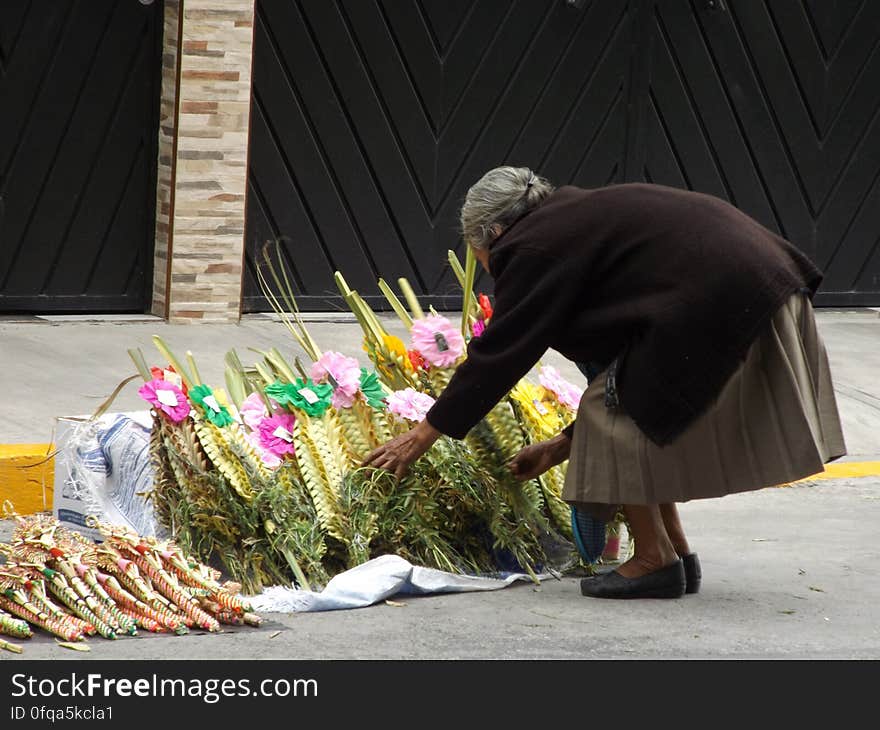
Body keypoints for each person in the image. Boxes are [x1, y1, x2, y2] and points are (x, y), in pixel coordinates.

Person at [363, 165, 846, 600]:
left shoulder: (530, 246)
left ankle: (654, 561)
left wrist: (425, 432)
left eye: (482, 256)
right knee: (635, 403)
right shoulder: (570, 223)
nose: (491, 269)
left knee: (609, 407)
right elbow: (620, 361)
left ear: (493, 233)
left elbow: (504, 351)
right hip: (760, 283)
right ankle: (674, 552)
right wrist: (559, 446)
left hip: (733, 293)